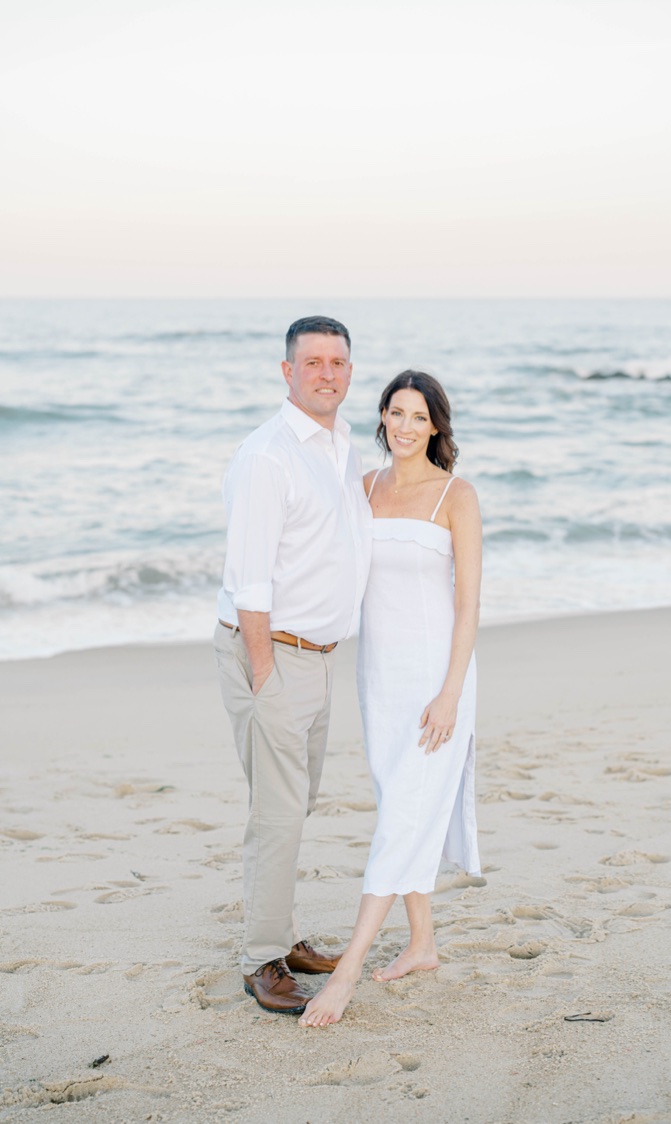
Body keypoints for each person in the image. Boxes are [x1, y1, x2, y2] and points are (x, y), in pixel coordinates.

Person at [299, 369, 482, 1028]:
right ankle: (423, 943)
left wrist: (451, 694)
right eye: (395, 413)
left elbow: (468, 607)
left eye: (418, 417)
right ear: (381, 417)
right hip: (378, 677)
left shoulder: (456, 496)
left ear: (435, 426)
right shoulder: (364, 486)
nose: (405, 426)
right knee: (398, 807)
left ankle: (346, 974)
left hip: (436, 679)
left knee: (401, 817)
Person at [213, 315, 372, 1015]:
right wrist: (263, 672)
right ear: (287, 372)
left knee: (291, 805)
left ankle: (275, 933)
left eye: (338, 362)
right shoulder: (268, 456)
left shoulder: (338, 444)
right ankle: (260, 961)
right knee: (280, 812)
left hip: (317, 656)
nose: (327, 373)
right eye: (313, 362)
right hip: (271, 653)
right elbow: (250, 578)